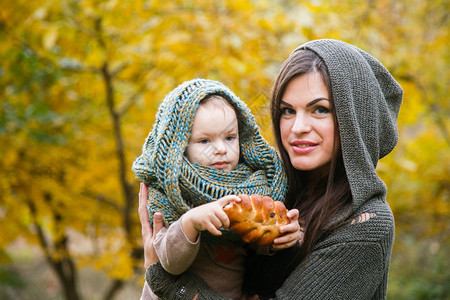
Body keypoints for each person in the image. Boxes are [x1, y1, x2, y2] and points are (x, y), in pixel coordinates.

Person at [140, 39, 403, 299]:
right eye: (287, 111)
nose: (297, 126)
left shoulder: (365, 225)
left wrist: (166, 280)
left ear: (353, 120)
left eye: (320, 109)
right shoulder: (266, 188)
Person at [132, 79, 301, 299]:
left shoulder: (253, 186)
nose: (221, 149)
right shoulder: (168, 192)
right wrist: (190, 222)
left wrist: (284, 236)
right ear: (178, 147)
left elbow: (257, 250)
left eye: (230, 137)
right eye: (204, 141)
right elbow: (168, 264)